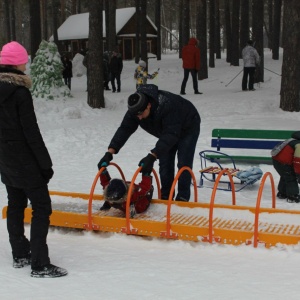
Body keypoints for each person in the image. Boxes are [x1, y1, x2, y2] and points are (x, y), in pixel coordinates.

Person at [0, 41, 68, 278]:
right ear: (19, 62)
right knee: (41, 207)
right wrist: (45, 164)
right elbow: (32, 132)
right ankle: (39, 264)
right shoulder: (20, 93)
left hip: (6, 160)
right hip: (25, 160)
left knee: (16, 204)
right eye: (24, 60)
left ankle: (20, 254)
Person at [98, 84, 201, 202]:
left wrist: (153, 155)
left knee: (184, 163)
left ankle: (182, 197)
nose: (139, 118)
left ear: (149, 105)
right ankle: (166, 196)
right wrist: (110, 152)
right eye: (137, 115)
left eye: (141, 114)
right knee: (165, 163)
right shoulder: (136, 109)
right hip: (167, 131)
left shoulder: (167, 105)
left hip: (188, 126)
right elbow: (125, 129)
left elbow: (171, 135)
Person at [271, 131, 300, 203]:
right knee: (291, 177)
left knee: (285, 176)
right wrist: (298, 174)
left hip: (277, 161)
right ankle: (293, 196)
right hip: (284, 163)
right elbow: (298, 161)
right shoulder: (299, 145)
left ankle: (282, 193)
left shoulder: (292, 140)